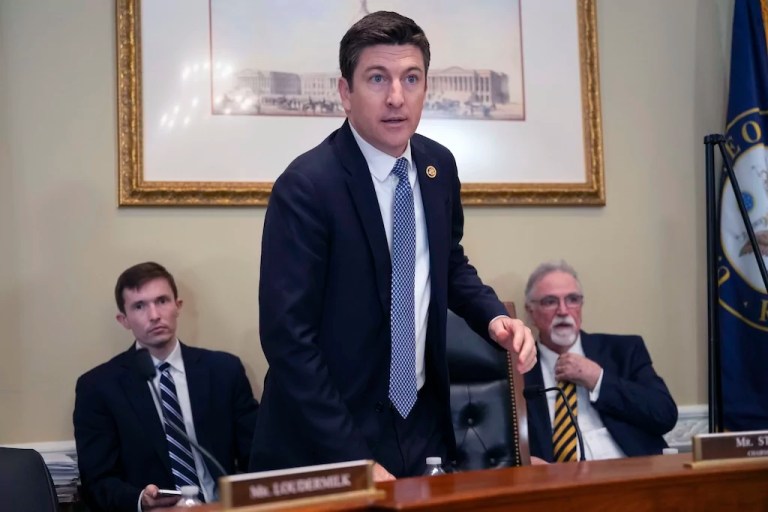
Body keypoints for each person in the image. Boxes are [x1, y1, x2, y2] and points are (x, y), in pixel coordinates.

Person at [251, 11, 536, 481]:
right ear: (345, 92)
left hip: (420, 424)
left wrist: (493, 317)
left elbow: (446, 262)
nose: (396, 97)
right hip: (326, 439)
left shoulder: (437, 166)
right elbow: (288, 342)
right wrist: (356, 460)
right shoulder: (307, 186)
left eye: (411, 78)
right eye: (377, 78)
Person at [73, 262, 259, 512]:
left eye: (162, 301)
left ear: (177, 306)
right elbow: (97, 481)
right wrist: (141, 499)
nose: (154, 315)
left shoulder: (224, 371)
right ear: (123, 319)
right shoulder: (98, 387)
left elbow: (256, 455)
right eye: (139, 306)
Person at [522, 260, 677, 462]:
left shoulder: (624, 351)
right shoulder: (518, 370)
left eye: (572, 299)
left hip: (632, 471)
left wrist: (598, 379)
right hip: (557, 478)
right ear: (531, 312)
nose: (563, 311)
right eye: (550, 301)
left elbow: (664, 415)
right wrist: (526, 462)